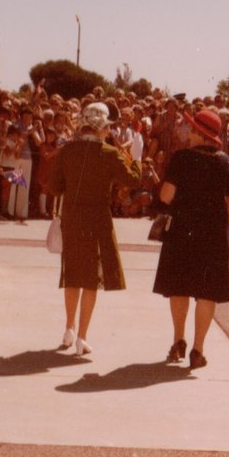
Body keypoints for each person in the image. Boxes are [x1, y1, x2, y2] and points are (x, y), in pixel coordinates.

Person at [48, 102, 141, 355]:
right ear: (101, 127)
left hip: (72, 217)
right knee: (91, 278)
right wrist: (138, 159)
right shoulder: (109, 152)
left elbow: (54, 187)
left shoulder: (67, 151)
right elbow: (132, 179)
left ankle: (68, 328)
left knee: (71, 273)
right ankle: (82, 337)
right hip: (97, 219)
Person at [153, 109, 229, 370]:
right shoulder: (228, 164)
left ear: (199, 133)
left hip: (182, 230)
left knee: (179, 286)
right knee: (207, 292)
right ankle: (197, 350)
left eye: (191, 129)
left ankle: (178, 340)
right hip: (213, 234)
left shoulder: (181, 158)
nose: (187, 133)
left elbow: (166, 195)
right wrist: (226, 224)